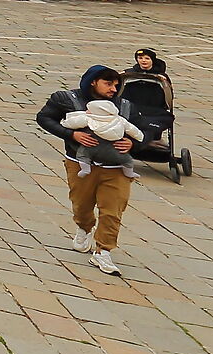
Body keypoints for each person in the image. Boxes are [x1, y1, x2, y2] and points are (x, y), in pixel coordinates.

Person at [34, 65, 139, 275]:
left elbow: (142, 130)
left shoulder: (126, 106)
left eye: (116, 85)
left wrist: (132, 144)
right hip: (80, 164)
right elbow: (44, 118)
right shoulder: (67, 99)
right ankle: (84, 227)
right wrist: (70, 135)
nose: (113, 89)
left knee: (113, 210)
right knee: (82, 205)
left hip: (116, 167)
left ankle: (103, 252)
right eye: (108, 84)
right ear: (93, 82)